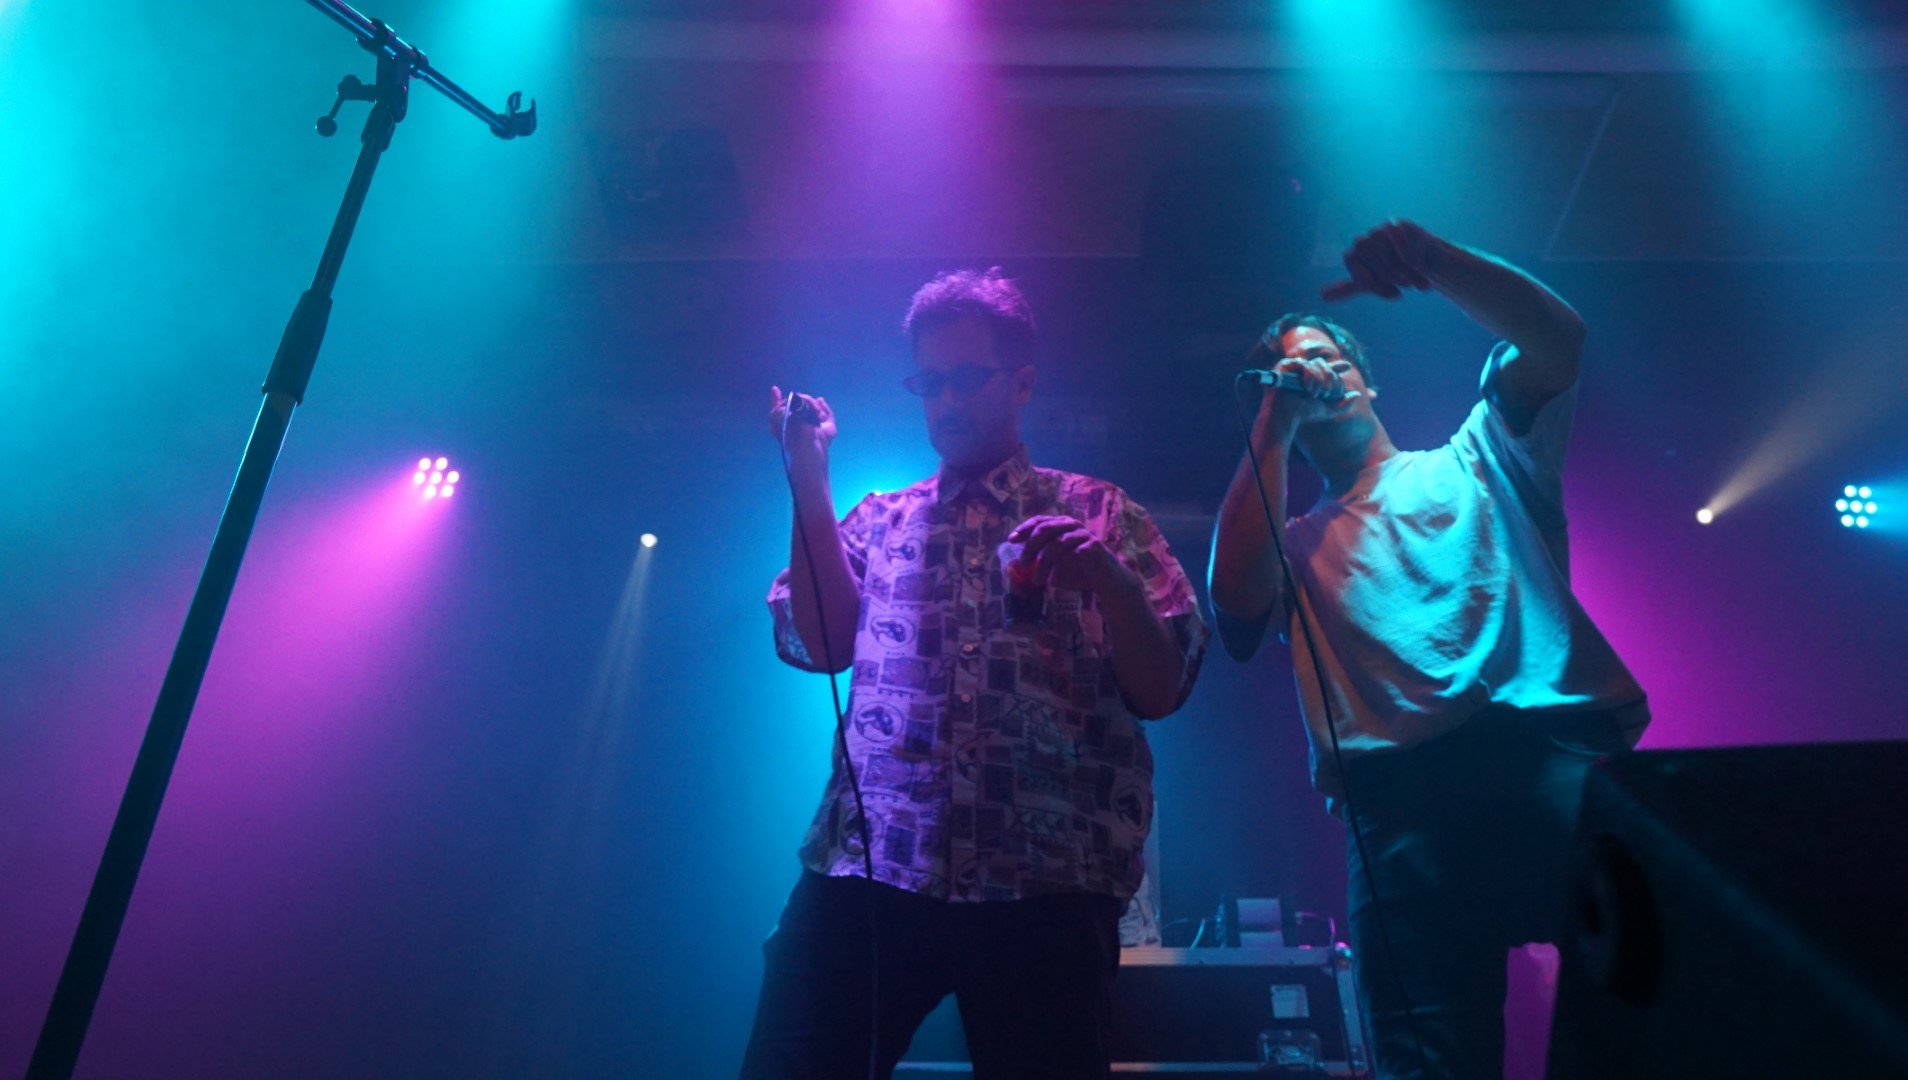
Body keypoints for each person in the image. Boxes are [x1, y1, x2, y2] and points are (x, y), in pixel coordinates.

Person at [1207, 221, 1649, 1079]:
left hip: (1547, 755)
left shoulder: (1479, 455)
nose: (1313, 373)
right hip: (1399, 805)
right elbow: (1234, 605)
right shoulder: (1293, 541)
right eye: (1291, 369)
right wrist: (1274, 422)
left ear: (1366, 380)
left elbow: (1558, 340)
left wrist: (1435, 261)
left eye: (1327, 358)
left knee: (1644, 1001)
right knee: (1426, 1056)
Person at [741, 267, 1209, 1080]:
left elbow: (1162, 690)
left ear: (1022, 382)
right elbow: (820, 645)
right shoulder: (881, 517)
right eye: (931, 383)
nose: (947, 402)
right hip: (874, 865)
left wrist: (1112, 582)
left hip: (1045, 875)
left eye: (967, 379)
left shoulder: (1099, 510)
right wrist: (808, 477)